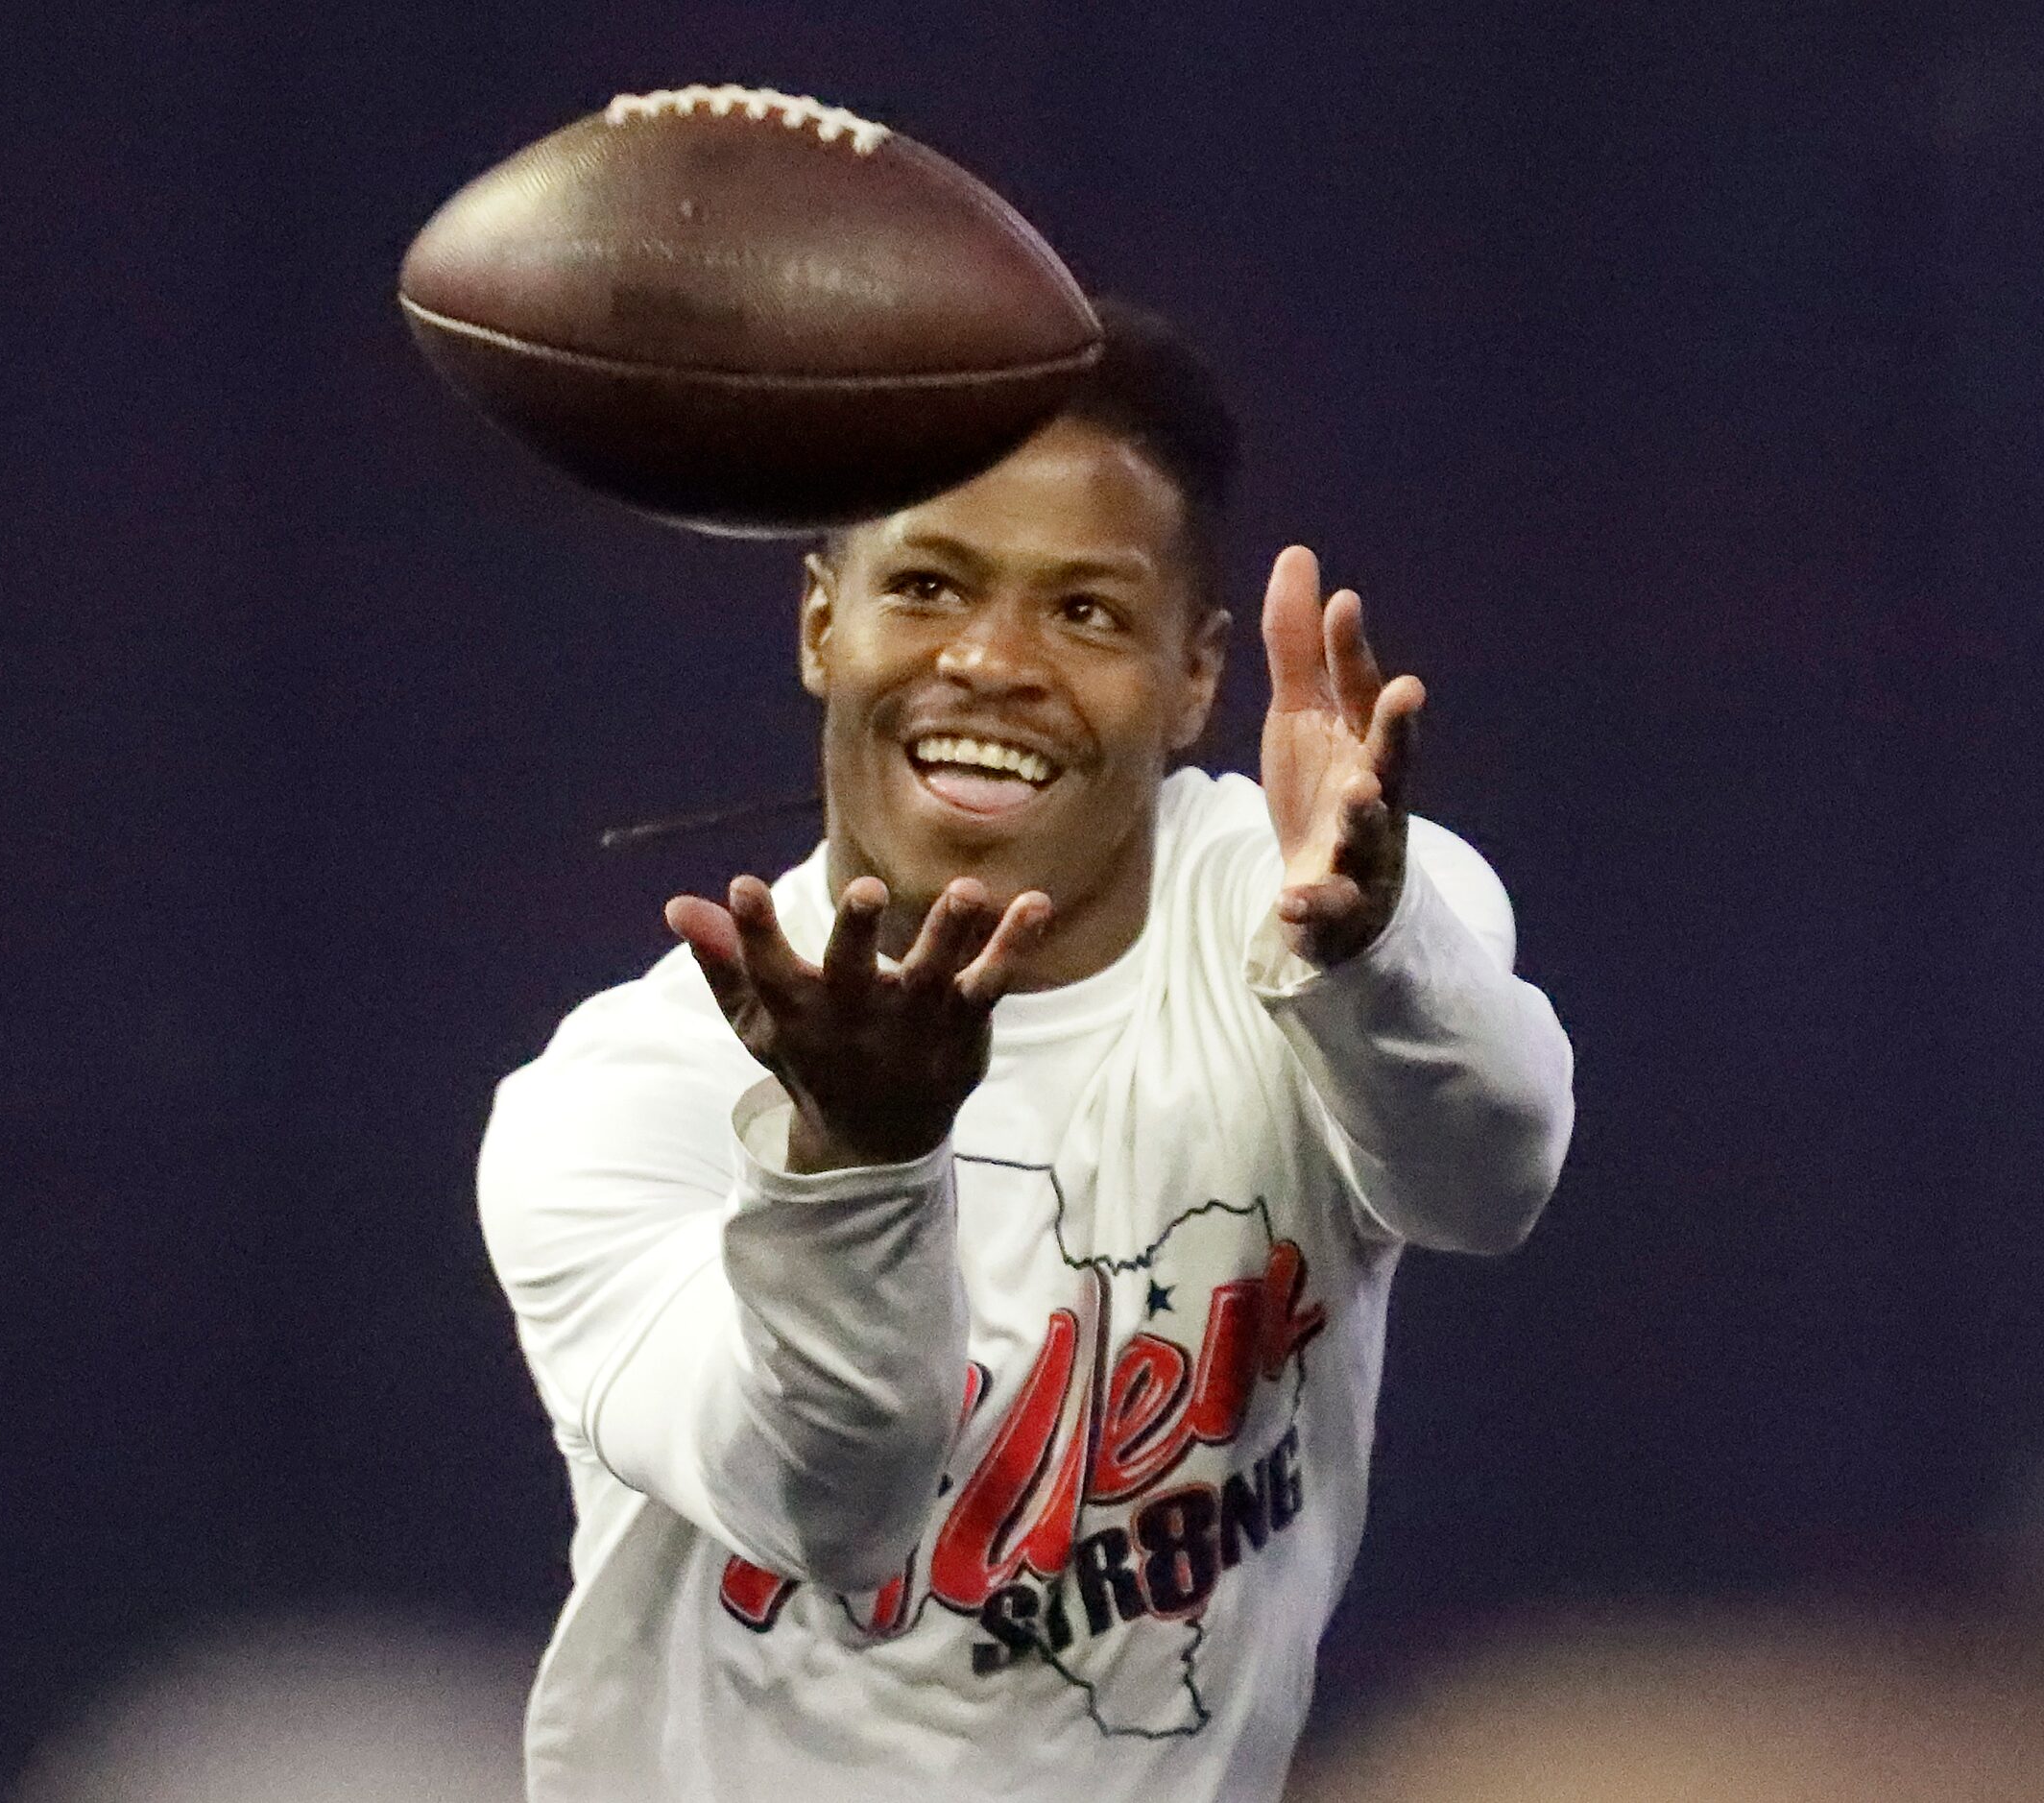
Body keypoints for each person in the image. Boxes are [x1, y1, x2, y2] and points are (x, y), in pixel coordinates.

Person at [477, 301, 1575, 1803]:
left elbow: (1486, 1178)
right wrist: (855, 1170)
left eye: (1086, 611)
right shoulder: (628, 1097)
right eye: (927, 584)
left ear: (1196, 678)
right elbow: (829, 1501)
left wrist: (1364, 954)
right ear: (821, 621)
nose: (991, 660)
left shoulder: (1307, 907)